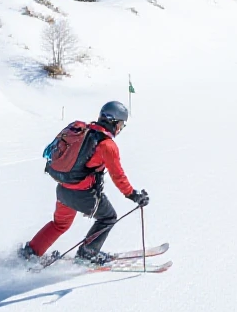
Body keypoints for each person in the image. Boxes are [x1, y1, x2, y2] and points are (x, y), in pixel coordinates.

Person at [20, 101, 150, 265]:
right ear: (114, 122)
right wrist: (133, 195)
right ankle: (87, 254)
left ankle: (31, 252)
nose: (120, 129)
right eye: (121, 125)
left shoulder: (83, 132)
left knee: (59, 224)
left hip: (63, 190)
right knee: (108, 217)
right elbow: (118, 176)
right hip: (84, 195)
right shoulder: (107, 145)